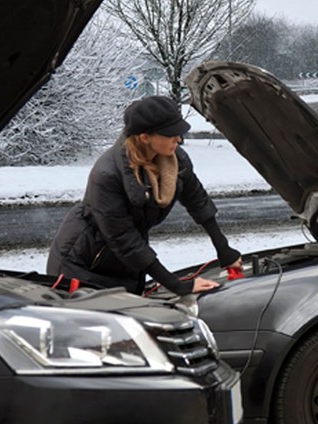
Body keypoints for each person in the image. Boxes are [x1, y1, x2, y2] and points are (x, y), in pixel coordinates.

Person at [47, 95, 241, 295]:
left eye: (179, 132)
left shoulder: (175, 160)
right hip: (82, 266)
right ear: (145, 137)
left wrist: (224, 250)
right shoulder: (107, 174)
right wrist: (178, 286)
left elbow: (198, 200)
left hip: (126, 263)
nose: (179, 139)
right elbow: (124, 239)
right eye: (170, 134)